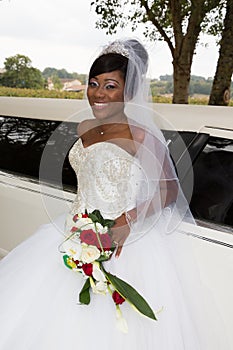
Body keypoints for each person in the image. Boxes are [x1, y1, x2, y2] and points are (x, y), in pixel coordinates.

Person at [0, 38, 229, 350]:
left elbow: (170, 188)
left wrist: (127, 221)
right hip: (73, 233)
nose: (98, 93)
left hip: (123, 244)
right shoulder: (84, 127)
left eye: (110, 85)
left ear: (129, 90)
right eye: (94, 83)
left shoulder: (142, 135)